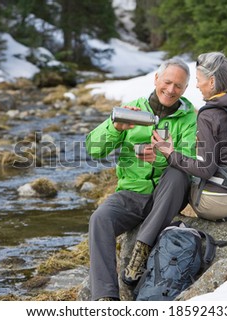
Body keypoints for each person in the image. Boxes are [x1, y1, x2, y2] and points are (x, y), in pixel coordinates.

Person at [85, 58, 197, 301]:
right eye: (167, 82)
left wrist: (164, 156)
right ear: (156, 79)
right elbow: (93, 149)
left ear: (185, 89)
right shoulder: (131, 109)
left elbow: (189, 160)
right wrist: (116, 128)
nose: (171, 90)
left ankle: (141, 249)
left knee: (179, 173)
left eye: (178, 86)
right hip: (130, 194)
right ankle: (105, 297)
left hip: (166, 196)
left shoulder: (189, 118)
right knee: (99, 219)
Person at [153, 52, 227, 221]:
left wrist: (170, 154)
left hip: (220, 203)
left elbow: (204, 169)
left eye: (198, 80)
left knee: (180, 178)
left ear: (211, 81)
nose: (197, 86)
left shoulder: (209, 115)